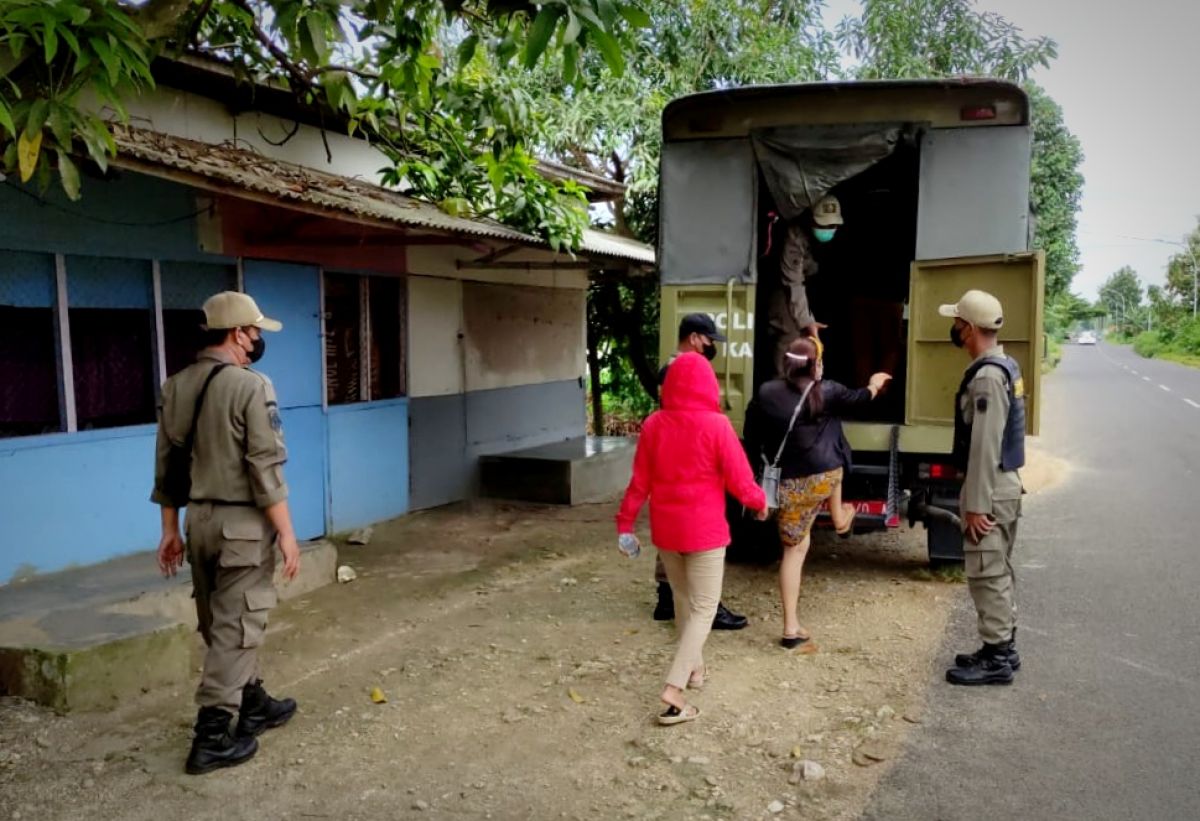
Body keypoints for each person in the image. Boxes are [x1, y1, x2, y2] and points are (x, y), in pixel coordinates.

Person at [151, 291, 301, 774]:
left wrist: (170, 530)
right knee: (238, 625)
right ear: (239, 334)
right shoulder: (251, 386)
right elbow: (265, 466)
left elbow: (168, 465)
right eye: (255, 332)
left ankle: (252, 701)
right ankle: (212, 736)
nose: (257, 340)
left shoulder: (176, 386)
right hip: (241, 524)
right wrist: (288, 533)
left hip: (197, 521)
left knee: (221, 619)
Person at [617, 353, 769, 725]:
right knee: (704, 607)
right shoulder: (718, 426)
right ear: (708, 385)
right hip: (704, 532)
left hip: (667, 531)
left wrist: (625, 524)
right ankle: (674, 689)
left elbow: (639, 483)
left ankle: (696, 671)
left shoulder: (654, 424)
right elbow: (740, 477)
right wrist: (759, 502)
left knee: (684, 601)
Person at [743, 337, 891, 648]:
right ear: (816, 364)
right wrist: (875, 384)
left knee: (793, 551)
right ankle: (839, 517)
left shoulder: (767, 393)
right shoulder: (830, 392)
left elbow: (752, 434)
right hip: (825, 478)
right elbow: (861, 399)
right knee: (832, 434)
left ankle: (790, 627)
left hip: (789, 485)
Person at [939, 290, 1025, 686]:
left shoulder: (989, 375)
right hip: (1001, 485)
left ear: (968, 328)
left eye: (957, 323)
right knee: (996, 569)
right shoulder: (1004, 364)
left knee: (987, 572)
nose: (954, 330)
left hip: (990, 487)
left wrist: (975, 505)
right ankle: (1001, 647)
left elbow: (985, 444)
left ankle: (997, 657)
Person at [652, 313, 748, 631]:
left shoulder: (668, 368)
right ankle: (705, 606)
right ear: (694, 338)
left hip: (672, 460)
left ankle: (667, 599)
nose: (710, 347)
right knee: (698, 537)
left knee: (674, 531)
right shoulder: (682, 371)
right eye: (708, 340)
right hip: (692, 461)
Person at [767, 194, 843, 376]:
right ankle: (783, 388)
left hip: (811, 289)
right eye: (822, 225)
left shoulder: (829, 240)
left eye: (832, 226)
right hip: (787, 290)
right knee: (790, 336)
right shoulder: (794, 236)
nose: (828, 229)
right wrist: (807, 322)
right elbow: (793, 283)